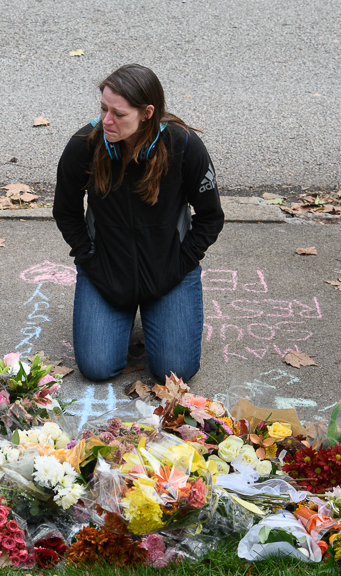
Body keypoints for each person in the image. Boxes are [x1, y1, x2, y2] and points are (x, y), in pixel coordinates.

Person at [52, 64, 224, 383]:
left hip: (169, 271)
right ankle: (124, 310)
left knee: (175, 372)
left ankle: (155, 309)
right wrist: (89, 260)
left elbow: (211, 217)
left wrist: (180, 264)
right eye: (103, 109)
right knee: (97, 368)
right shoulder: (84, 145)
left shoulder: (183, 146)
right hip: (106, 270)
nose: (106, 120)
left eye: (118, 113)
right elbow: (66, 211)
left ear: (147, 113)